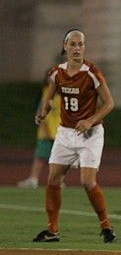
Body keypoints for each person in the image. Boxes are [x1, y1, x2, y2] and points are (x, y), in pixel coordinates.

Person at [32, 29, 116, 243]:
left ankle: (106, 226)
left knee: (87, 181)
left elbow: (109, 103)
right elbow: (49, 98)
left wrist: (90, 120)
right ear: (65, 47)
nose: (77, 48)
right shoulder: (56, 73)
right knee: (52, 180)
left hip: (90, 134)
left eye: (81, 44)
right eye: (73, 44)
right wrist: (43, 112)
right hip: (66, 133)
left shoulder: (92, 73)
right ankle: (52, 230)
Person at [17, 73, 62, 189]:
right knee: (41, 156)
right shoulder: (47, 92)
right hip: (48, 130)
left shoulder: (62, 93)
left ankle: (56, 180)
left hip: (59, 130)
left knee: (58, 157)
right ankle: (34, 179)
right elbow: (41, 109)